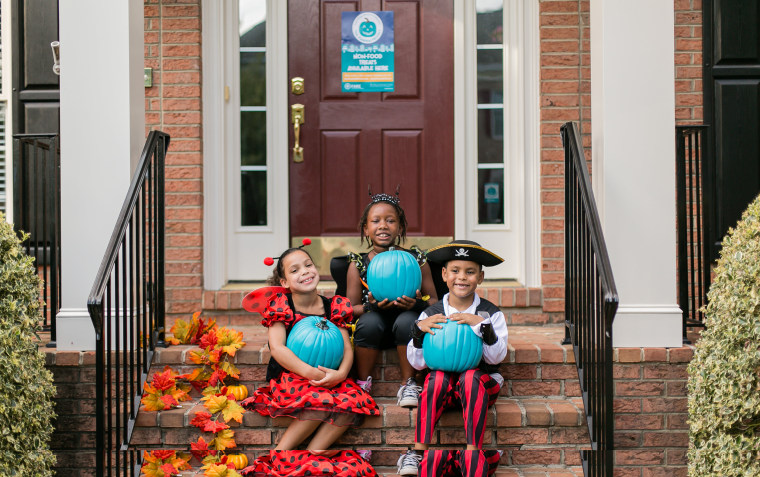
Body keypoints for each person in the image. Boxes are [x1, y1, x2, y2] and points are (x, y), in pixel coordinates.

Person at [240, 240, 378, 476]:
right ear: (284, 282)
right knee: (319, 401)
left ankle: (315, 452)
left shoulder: (332, 306)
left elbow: (346, 346)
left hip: (330, 374)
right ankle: (281, 453)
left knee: (353, 402)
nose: (304, 272)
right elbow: (278, 348)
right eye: (295, 270)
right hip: (293, 375)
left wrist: (341, 373)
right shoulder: (282, 306)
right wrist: (312, 374)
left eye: (308, 265)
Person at [397, 240, 508, 477]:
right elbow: (418, 363)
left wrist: (482, 326)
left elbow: (496, 356)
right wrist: (419, 331)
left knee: (470, 377)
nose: (462, 278)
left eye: (470, 272)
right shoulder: (431, 313)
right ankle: (418, 450)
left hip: (481, 383)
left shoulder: (490, 313)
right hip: (444, 388)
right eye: (455, 271)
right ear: (444, 274)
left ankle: (472, 451)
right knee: (435, 378)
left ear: (480, 277)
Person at [347, 187, 439, 408]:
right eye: (376, 220)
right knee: (369, 322)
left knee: (408, 320)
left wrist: (419, 303)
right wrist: (371, 307)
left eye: (390, 220)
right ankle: (362, 384)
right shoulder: (358, 264)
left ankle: (409, 383)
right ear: (366, 228)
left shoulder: (416, 259)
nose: (383, 226)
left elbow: (436, 302)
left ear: (400, 228)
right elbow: (349, 310)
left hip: (407, 327)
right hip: (372, 328)